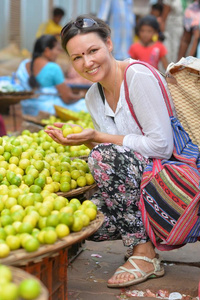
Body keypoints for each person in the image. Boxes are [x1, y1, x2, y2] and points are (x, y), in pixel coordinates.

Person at [45, 14, 174, 288]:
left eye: (93, 51)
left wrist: (97, 138)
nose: (87, 62)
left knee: (102, 156)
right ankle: (140, 238)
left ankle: (144, 253)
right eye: (77, 57)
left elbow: (162, 147)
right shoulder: (93, 95)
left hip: (171, 189)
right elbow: (113, 150)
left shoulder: (137, 76)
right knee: (83, 217)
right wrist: (81, 140)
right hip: (138, 187)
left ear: (110, 44)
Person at [16, 35, 87, 116]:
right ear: (47, 51)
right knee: (85, 105)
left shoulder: (24, 64)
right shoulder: (53, 68)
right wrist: (81, 95)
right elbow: (67, 99)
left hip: (28, 109)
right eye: (57, 49)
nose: (59, 53)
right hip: (47, 110)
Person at [160, 0, 183, 64]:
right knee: (169, 54)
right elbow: (164, 18)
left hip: (186, 32)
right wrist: (162, 34)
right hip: (171, 31)